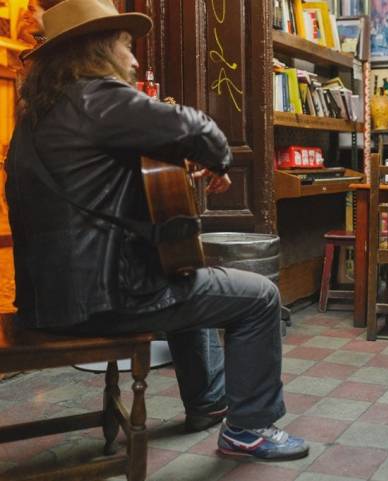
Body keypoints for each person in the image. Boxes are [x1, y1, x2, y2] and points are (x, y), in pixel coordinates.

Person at [5, 0, 308, 461]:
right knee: (259, 298)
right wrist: (216, 158)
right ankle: (249, 429)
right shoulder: (97, 96)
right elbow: (197, 127)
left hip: (45, 300)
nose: (134, 59)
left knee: (182, 271)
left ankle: (208, 403)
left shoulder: (36, 115)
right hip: (105, 301)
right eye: (127, 46)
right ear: (99, 49)